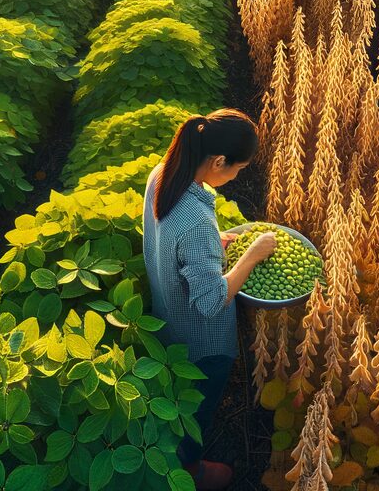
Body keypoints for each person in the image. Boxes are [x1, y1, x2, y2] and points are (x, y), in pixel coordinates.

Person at [143, 109, 277, 491]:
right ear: (219, 161)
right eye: (237, 170)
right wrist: (252, 254)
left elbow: (171, 240)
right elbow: (212, 301)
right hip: (200, 342)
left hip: (167, 316)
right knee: (197, 410)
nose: (235, 178)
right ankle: (192, 471)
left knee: (178, 399)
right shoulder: (197, 223)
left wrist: (211, 248)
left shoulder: (162, 174)